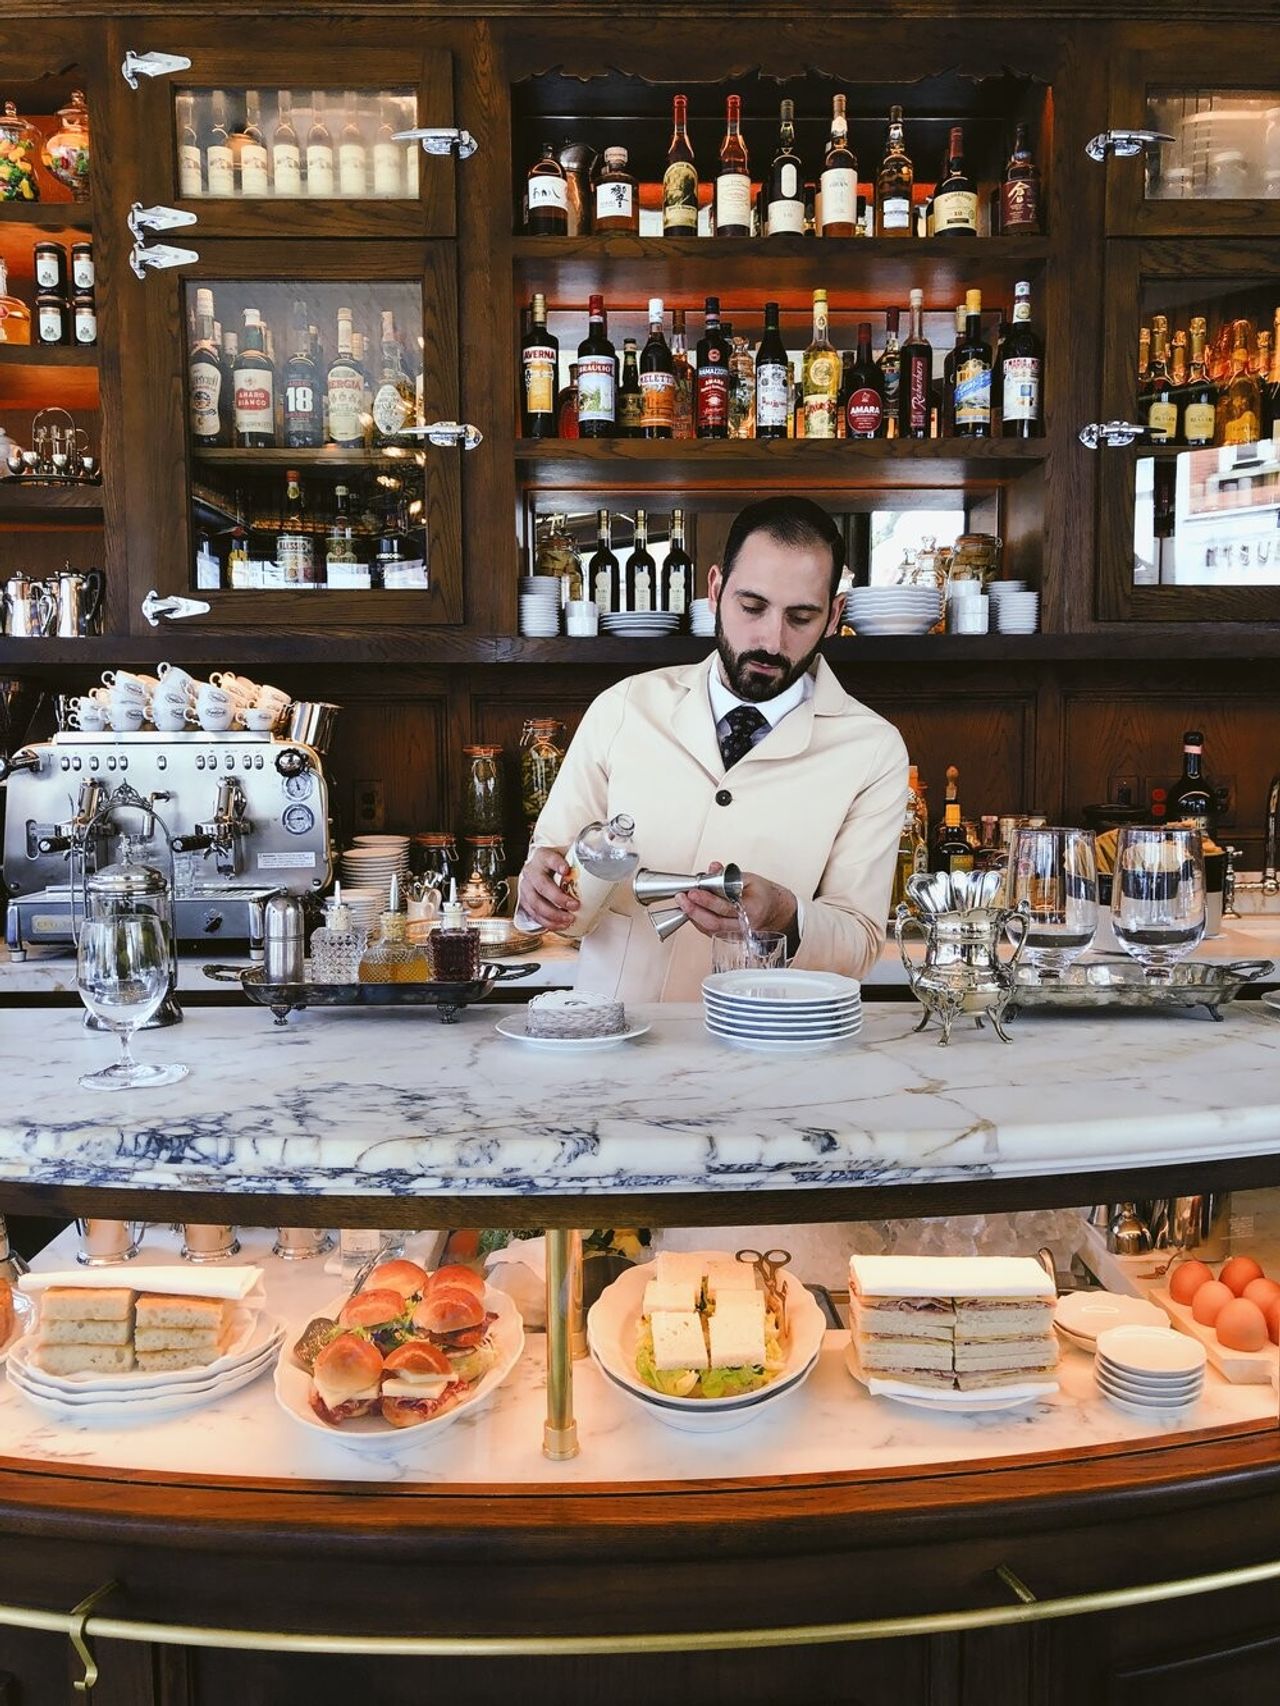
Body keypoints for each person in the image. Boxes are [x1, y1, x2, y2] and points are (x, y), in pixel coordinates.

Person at [517, 495, 910, 1002]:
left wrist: (787, 916)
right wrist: (540, 892)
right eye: (752, 607)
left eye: (801, 617)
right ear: (715, 589)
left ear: (834, 615)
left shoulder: (872, 750)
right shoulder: (624, 708)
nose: (771, 639)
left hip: (764, 1055)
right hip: (611, 1048)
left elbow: (858, 946)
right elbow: (552, 893)